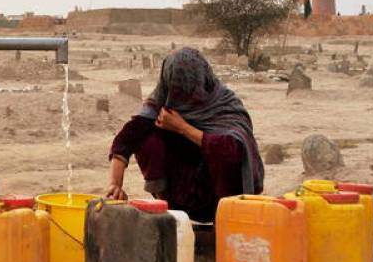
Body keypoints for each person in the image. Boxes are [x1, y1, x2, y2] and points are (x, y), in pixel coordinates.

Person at [105, 47, 263, 222]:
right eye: (178, 89)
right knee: (148, 137)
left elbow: (234, 149)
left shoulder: (223, 102)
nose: (183, 96)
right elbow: (127, 138)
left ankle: (226, 222)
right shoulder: (163, 99)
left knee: (224, 152)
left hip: (219, 197)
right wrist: (115, 184)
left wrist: (182, 127)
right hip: (177, 195)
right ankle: (170, 217)